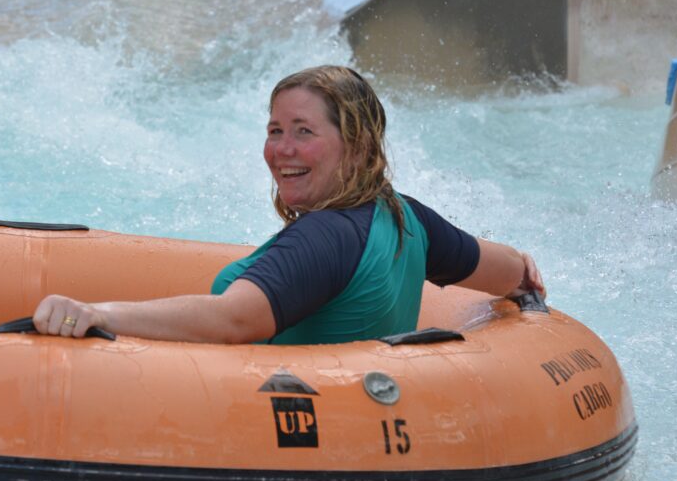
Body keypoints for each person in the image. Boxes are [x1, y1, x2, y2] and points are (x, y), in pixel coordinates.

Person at [33, 65, 544, 344]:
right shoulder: (405, 217)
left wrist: (94, 312)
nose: (283, 150)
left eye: (304, 132)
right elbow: (509, 274)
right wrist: (524, 267)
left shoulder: (325, 237)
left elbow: (236, 320)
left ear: (360, 145)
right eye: (275, 131)